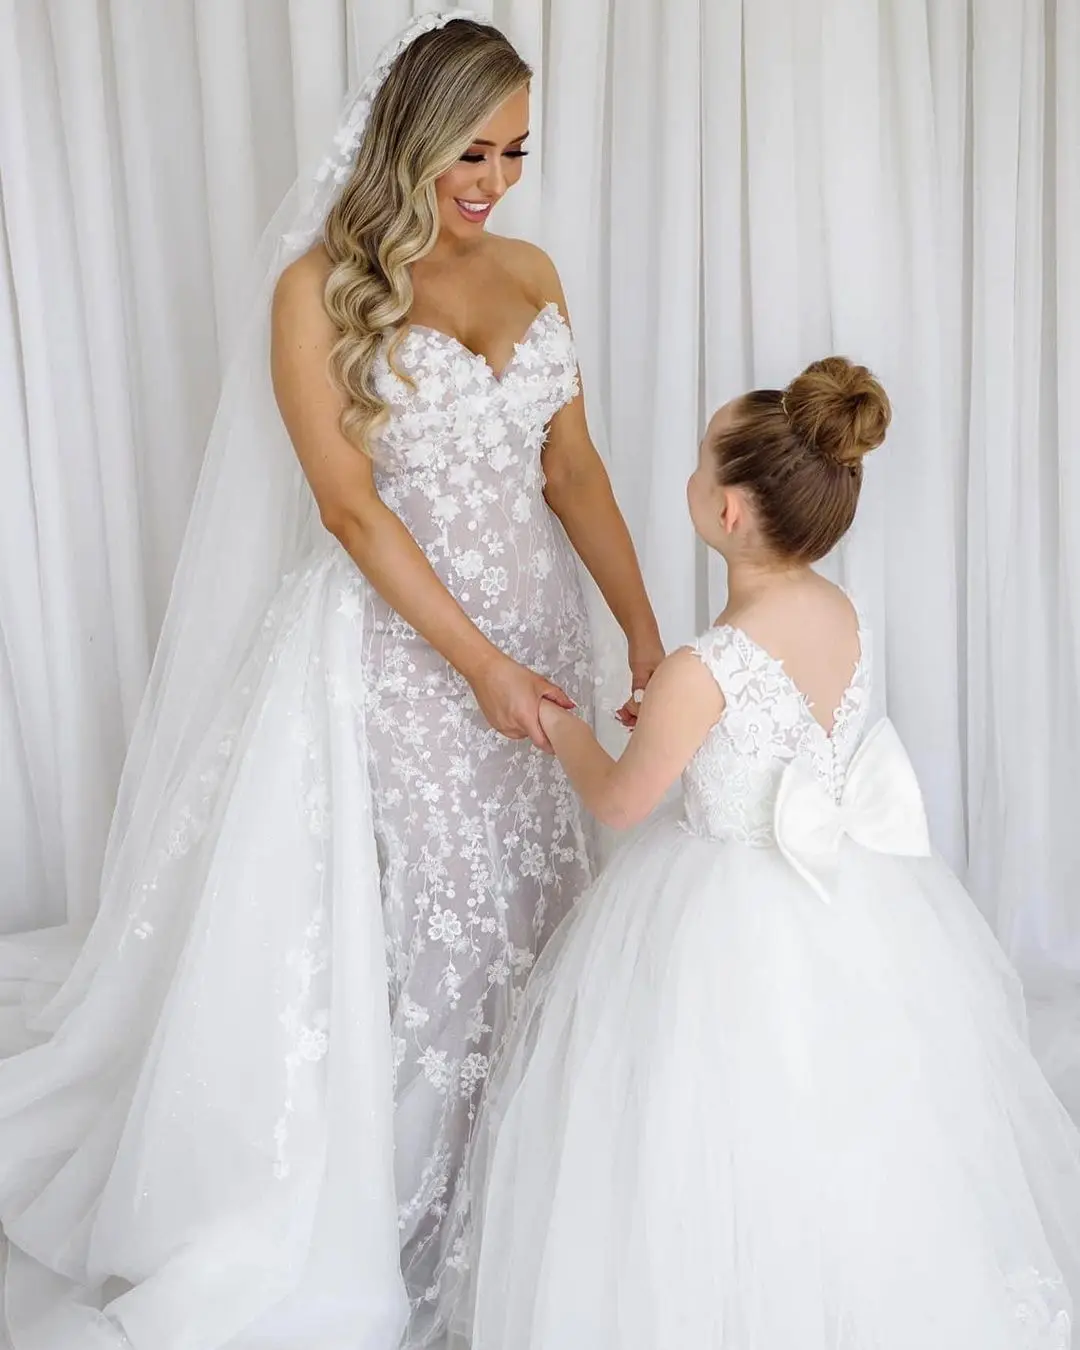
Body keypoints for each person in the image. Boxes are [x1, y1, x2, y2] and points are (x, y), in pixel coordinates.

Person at [0, 13, 660, 1350]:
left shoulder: (533, 270)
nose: (492, 179)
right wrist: (478, 667)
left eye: (516, 150)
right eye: (470, 149)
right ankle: (396, 1198)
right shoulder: (317, 289)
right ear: (408, 134)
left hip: (535, 627)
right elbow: (351, 510)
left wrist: (642, 632)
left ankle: (522, 1184)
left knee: (539, 900)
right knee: (430, 922)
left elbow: (572, 471)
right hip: (401, 655)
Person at [445, 358, 1080, 1349]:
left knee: (712, 1135)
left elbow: (619, 802)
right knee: (849, 1118)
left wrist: (551, 721)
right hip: (852, 902)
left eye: (702, 463)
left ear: (731, 513)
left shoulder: (710, 664)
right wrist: (673, 716)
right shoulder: (844, 615)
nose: (689, 477)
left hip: (722, 921)